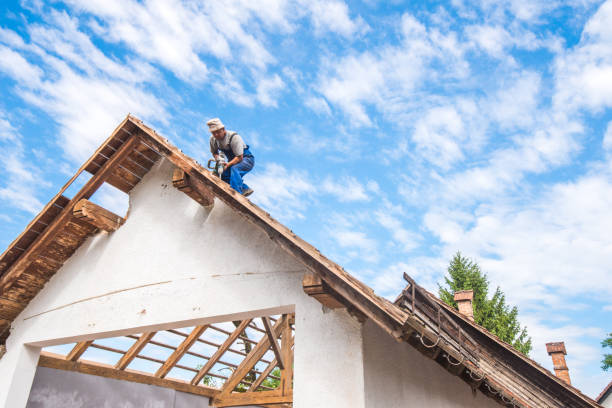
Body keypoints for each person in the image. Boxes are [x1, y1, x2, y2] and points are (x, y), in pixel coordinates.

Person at [207, 118, 254, 197]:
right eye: (213, 133)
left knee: (234, 169)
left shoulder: (234, 137)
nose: (216, 135)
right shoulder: (213, 139)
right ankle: (244, 188)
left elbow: (239, 157)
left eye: (217, 132)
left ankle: (237, 194)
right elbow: (214, 152)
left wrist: (228, 165)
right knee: (225, 176)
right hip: (232, 161)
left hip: (246, 159)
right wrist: (218, 159)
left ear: (223, 129)